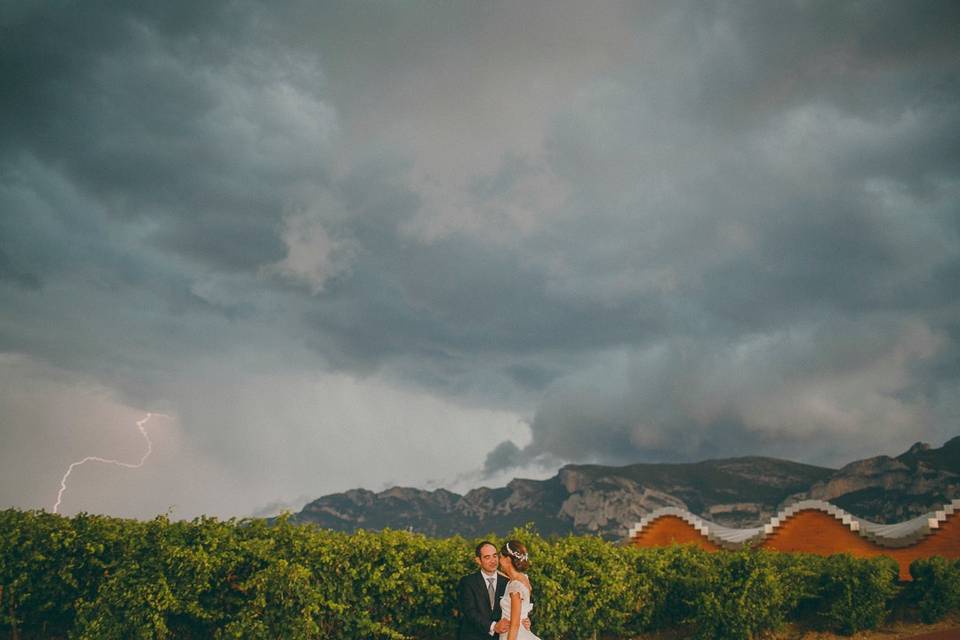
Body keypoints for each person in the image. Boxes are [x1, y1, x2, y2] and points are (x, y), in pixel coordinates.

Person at [457, 541, 531, 640]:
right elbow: (470, 612)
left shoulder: (510, 582)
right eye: (487, 557)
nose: (493, 561)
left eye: (495, 556)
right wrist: (493, 626)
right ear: (478, 560)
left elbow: (522, 606)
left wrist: (525, 619)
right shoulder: (467, 582)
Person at [498, 540, 541, 640]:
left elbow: (515, 623)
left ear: (508, 559)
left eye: (501, 557)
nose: (499, 561)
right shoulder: (524, 578)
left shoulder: (515, 586)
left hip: (513, 635)